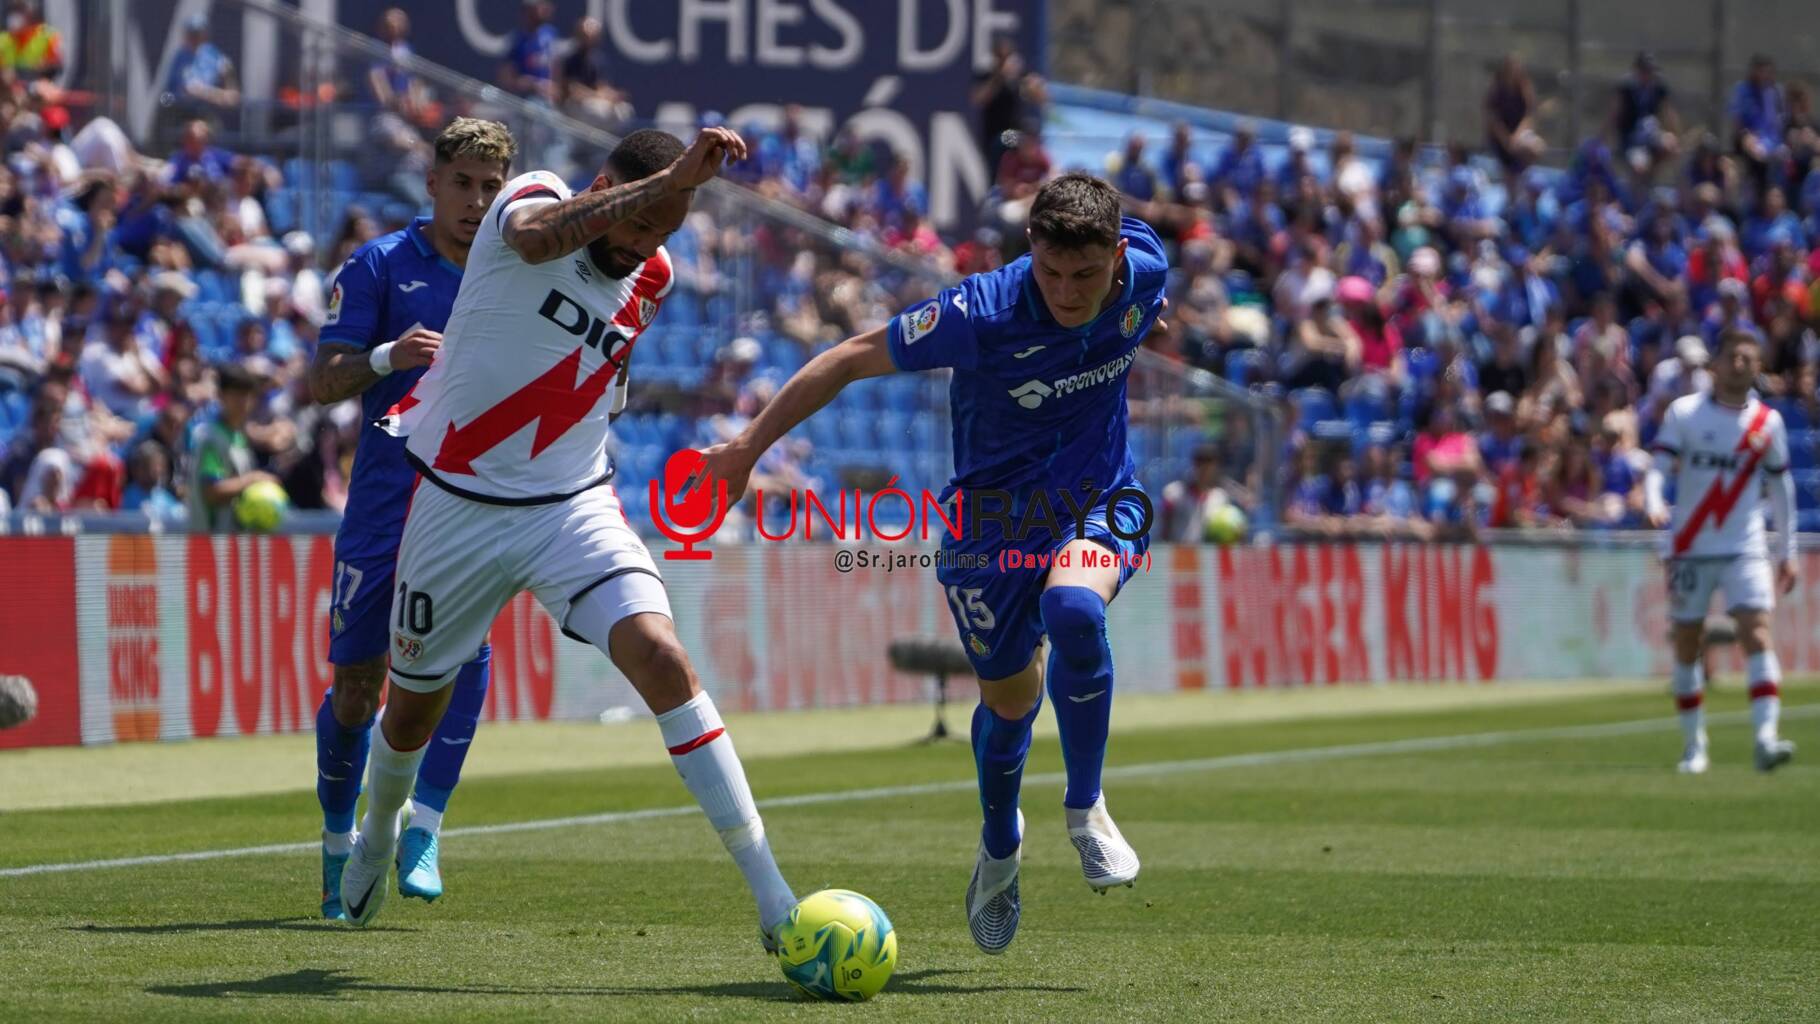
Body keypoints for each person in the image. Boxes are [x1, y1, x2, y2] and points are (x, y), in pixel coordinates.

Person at [338, 126, 799, 950]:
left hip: (571, 506)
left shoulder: (649, 275)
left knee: (663, 659)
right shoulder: (531, 203)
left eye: (665, 230)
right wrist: (667, 184)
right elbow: (538, 238)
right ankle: (378, 828)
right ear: (606, 186)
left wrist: (662, 212)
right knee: (407, 714)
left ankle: (775, 898)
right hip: (457, 504)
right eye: (639, 221)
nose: (644, 246)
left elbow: (601, 367)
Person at [697, 172, 1166, 953]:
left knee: (1075, 608)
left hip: (1098, 499)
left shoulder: (1146, 272)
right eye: (1050, 272)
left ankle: (1086, 810)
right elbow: (848, 357)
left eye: (1085, 274)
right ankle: (998, 848)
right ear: (1030, 252)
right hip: (989, 531)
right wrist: (748, 449)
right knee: (1010, 704)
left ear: (1118, 254)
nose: (1067, 291)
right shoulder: (979, 312)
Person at [306, 118, 516, 920]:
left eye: (491, 187)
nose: (476, 200)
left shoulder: (518, 271)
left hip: (471, 498)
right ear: (431, 182)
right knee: (358, 690)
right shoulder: (379, 264)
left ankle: (424, 823)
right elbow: (325, 380)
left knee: (463, 654)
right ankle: (335, 842)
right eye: (462, 182)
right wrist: (391, 356)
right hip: (384, 501)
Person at [1644, 329, 1798, 775]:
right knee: (1688, 643)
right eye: (1733, 356)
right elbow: (1658, 466)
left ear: (1758, 367)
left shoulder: (1767, 423)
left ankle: (1765, 739)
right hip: (1692, 545)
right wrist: (1654, 501)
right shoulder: (1685, 413)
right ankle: (1695, 746)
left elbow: (1782, 489)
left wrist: (1785, 551)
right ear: (1716, 364)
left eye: (1749, 358)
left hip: (1744, 545)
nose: (1740, 364)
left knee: (1757, 631)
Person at [187, 364, 281, 532]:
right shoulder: (211, 438)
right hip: (209, 547)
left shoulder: (239, 437)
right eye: (236, 394)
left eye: (248, 394)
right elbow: (211, 491)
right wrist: (253, 479)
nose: (243, 401)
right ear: (220, 396)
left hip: (232, 545)